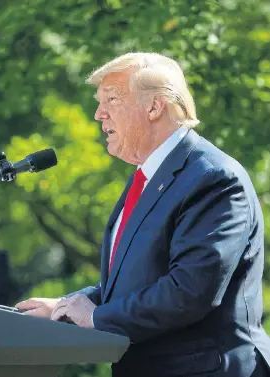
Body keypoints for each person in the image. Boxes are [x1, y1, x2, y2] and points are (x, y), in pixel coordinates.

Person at [16, 53, 270, 376]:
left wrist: (94, 317)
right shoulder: (147, 179)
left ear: (154, 107)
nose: (98, 114)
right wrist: (65, 307)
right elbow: (136, 281)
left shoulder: (214, 179)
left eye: (111, 99)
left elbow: (188, 291)